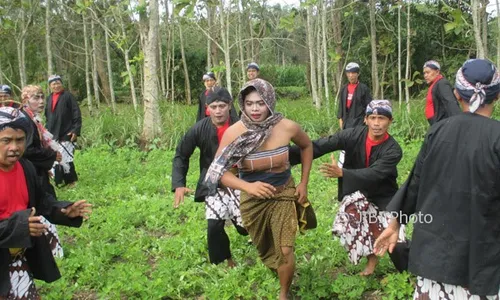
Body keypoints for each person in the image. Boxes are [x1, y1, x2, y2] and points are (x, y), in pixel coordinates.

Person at [374, 59, 500, 299]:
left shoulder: (438, 131)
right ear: (497, 96)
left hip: (436, 257)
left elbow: (415, 182)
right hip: (482, 262)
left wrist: (395, 223)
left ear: (456, 93)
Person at [205, 78, 313, 300]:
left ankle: (284, 293)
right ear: (242, 105)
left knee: (285, 249)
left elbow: (307, 145)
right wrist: (248, 186)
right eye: (250, 103)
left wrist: (303, 182)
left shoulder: (286, 127)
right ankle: (281, 271)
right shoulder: (235, 132)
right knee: (266, 249)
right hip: (253, 201)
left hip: (283, 193)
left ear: (270, 102)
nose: (255, 109)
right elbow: (218, 172)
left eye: (261, 103)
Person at [289, 100, 407, 276]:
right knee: (350, 222)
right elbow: (321, 145)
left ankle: (406, 273)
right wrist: (281, 157)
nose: (376, 123)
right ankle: (371, 258)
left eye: (381, 118)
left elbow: (374, 174)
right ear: (365, 119)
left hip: (385, 196)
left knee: (397, 242)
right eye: (372, 117)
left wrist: (343, 173)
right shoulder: (352, 135)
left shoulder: (393, 149)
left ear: (390, 121)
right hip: (358, 193)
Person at [0, 106, 92, 299]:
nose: (14, 147)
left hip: (17, 259)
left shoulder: (26, 168)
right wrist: (18, 226)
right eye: (6, 141)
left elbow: (41, 201)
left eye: (20, 140)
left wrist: (64, 210)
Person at [172, 86, 247, 267]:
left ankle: (268, 253)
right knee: (214, 225)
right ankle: (226, 260)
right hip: (213, 183)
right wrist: (179, 184)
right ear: (207, 108)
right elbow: (181, 154)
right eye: (213, 107)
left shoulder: (243, 126)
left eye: (222, 106)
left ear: (229, 106)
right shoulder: (199, 129)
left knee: (245, 228)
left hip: (241, 181)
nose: (218, 111)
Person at [20, 85, 65, 258]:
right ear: (26, 100)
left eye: (42, 98)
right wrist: (52, 155)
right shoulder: (25, 121)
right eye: (36, 98)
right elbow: (28, 150)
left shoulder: (33, 119)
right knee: (43, 205)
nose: (40, 102)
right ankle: (51, 249)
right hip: (32, 174)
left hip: (37, 172)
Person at [44, 75, 81, 188]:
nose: (56, 85)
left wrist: (75, 130)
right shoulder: (49, 98)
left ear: (61, 84)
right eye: (53, 84)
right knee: (56, 157)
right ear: (50, 86)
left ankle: (71, 181)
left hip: (67, 132)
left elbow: (76, 113)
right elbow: (47, 115)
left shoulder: (68, 96)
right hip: (52, 133)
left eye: (58, 83)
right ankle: (59, 180)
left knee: (65, 157)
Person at [422, 60, 461, 125]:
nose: (425, 76)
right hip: (437, 123)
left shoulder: (442, 84)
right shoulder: (435, 85)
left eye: (428, 72)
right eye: (424, 73)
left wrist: (458, 123)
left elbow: (450, 103)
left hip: (442, 124)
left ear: (437, 72)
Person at [337, 62, 372, 130]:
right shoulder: (344, 89)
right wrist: (340, 119)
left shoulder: (363, 88)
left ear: (358, 74)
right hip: (346, 122)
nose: (350, 75)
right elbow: (341, 106)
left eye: (353, 73)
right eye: (348, 73)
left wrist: (367, 116)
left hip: (359, 122)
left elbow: (369, 105)